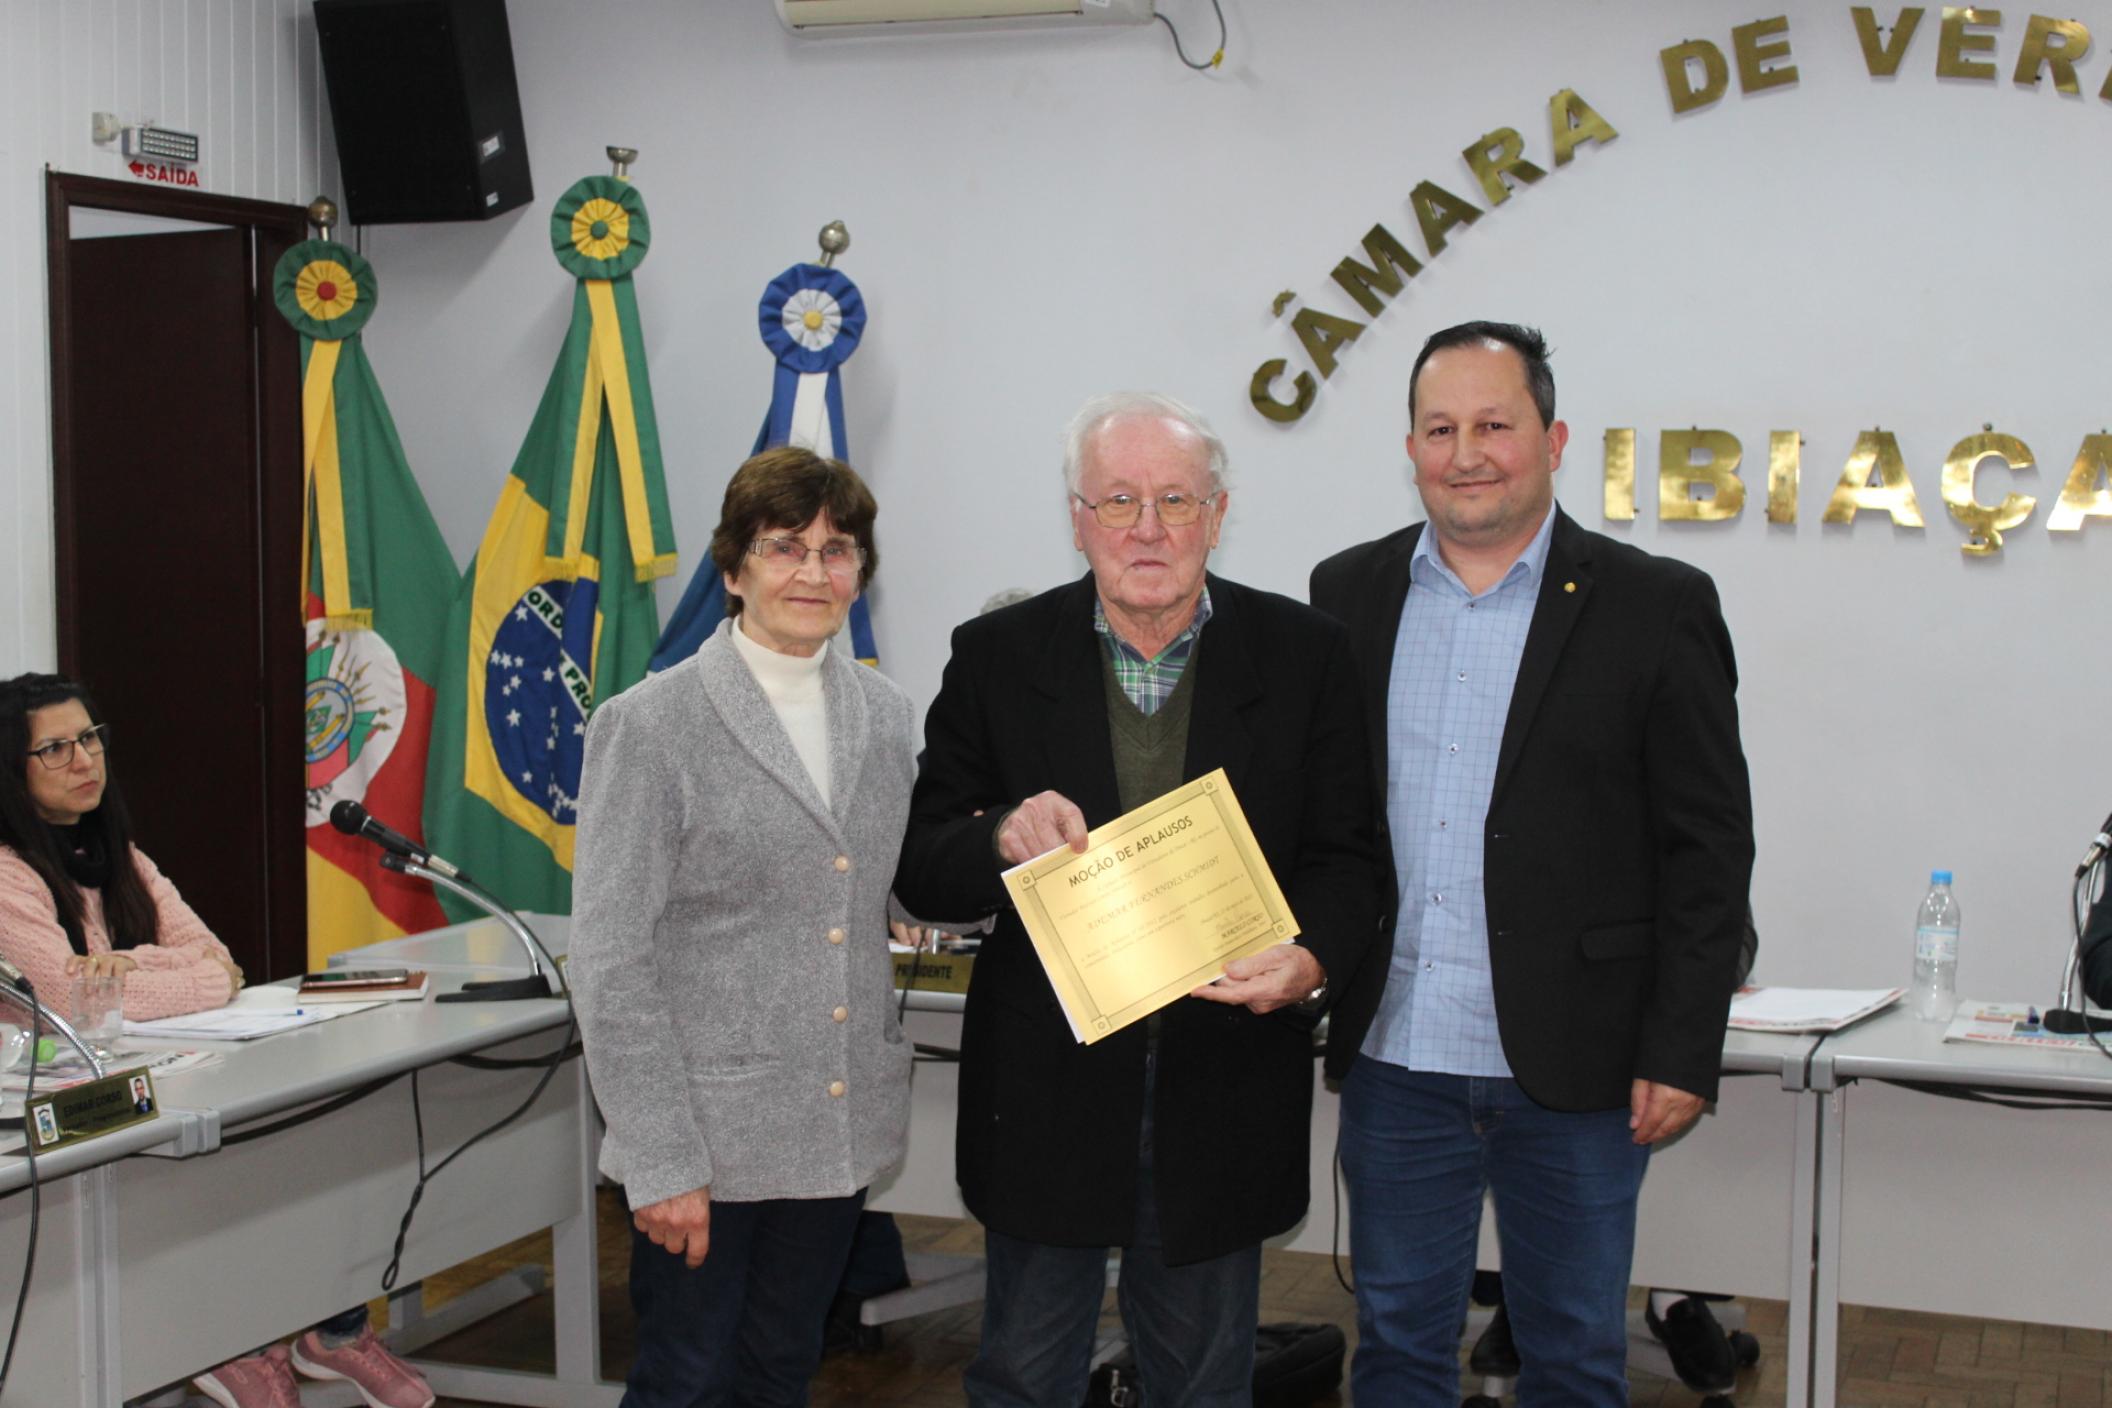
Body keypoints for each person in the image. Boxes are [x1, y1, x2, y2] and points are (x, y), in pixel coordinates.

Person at [896, 391, 1380, 1408]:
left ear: (1218, 513)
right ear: (1078, 519)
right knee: (1023, 1378)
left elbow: (1347, 857)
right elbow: (923, 859)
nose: (1148, 528)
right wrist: (999, 835)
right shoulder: (996, 655)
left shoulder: (1307, 654)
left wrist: (1310, 961)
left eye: (1176, 499)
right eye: (1119, 501)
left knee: (1202, 1388)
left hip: (1224, 1082)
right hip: (1046, 1091)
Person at [1309, 321, 1756, 1406]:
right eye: (1440, 429)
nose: (1466, 453)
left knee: (1573, 1360)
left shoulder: (1657, 604)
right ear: (1410, 448)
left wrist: (1683, 1046)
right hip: (1399, 1060)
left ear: (1552, 440)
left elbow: (1708, 847)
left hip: (1583, 1072)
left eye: (1494, 425)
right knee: (1397, 1353)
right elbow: (1325, 821)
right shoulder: (1346, 593)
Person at [569, 446, 917, 1407]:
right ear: (733, 568)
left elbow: (890, 893)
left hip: (833, 1127)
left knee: (781, 1373)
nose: (813, 573)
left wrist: (1012, 849)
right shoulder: (652, 725)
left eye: (836, 550)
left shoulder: (886, 715)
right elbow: (609, 960)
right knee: (685, 1382)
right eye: (784, 548)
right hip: (707, 1144)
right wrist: (661, 1160)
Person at [0, 672, 435, 1408]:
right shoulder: (7, 874)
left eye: (91, 739)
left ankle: (324, 1325)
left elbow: (219, 964)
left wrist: (130, 969)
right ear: (12, 771)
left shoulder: (120, 855)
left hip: (170, 1071)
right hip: (69, 1112)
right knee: (214, 1178)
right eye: (55, 750)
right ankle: (224, 1339)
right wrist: (151, 972)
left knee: (297, 1136)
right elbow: (66, 994)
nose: (84, 760)